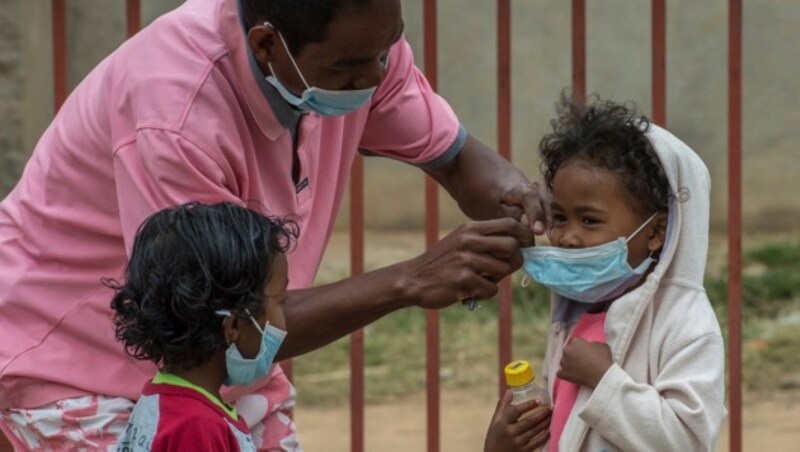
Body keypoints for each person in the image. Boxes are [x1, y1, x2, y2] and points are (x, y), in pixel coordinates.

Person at [0, 0, 545, 449]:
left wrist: (524, 203)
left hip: (225, 374)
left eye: (386, 51)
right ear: (266, 45)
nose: (376, 76)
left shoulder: (358, 43)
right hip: (79, 367)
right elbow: (214, 325)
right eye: (351, 68)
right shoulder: (176, 113)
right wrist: (411, 279)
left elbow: (452, 157)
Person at [484, 95, 726, 451]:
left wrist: (604, 379)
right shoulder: (576, 310)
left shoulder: (686, 325)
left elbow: (688, 440)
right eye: (561, 218)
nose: (567, 238)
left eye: (589, 220)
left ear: (656, 231)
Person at [110, 202, 296, 451]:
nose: (283, 317)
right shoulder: (197, 427)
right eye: (280, 301)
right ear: (233, 326)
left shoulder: (167, 400)